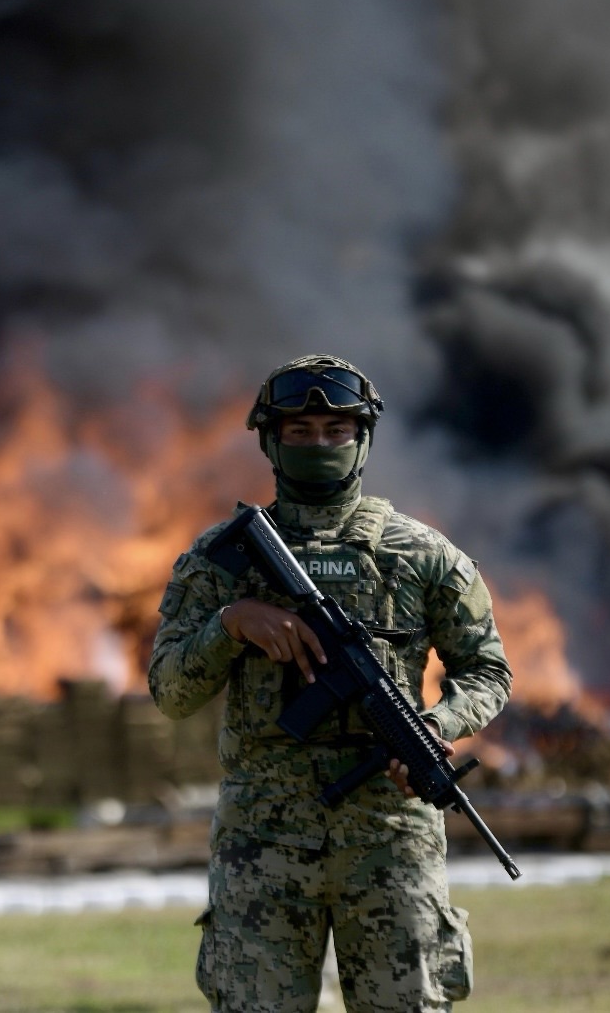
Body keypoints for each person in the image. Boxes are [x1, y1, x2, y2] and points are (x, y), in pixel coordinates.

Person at [148, 355, 512, 1012]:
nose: (319, 443)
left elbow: (487, 670)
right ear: (270, 441)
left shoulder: (421, 555)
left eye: (336, 430)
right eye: (300, 430)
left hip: (390, 842)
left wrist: (437, 724)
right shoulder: (220, 560)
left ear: (362, 439)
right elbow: (171, 692)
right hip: (262, 846)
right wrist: (232, 623)